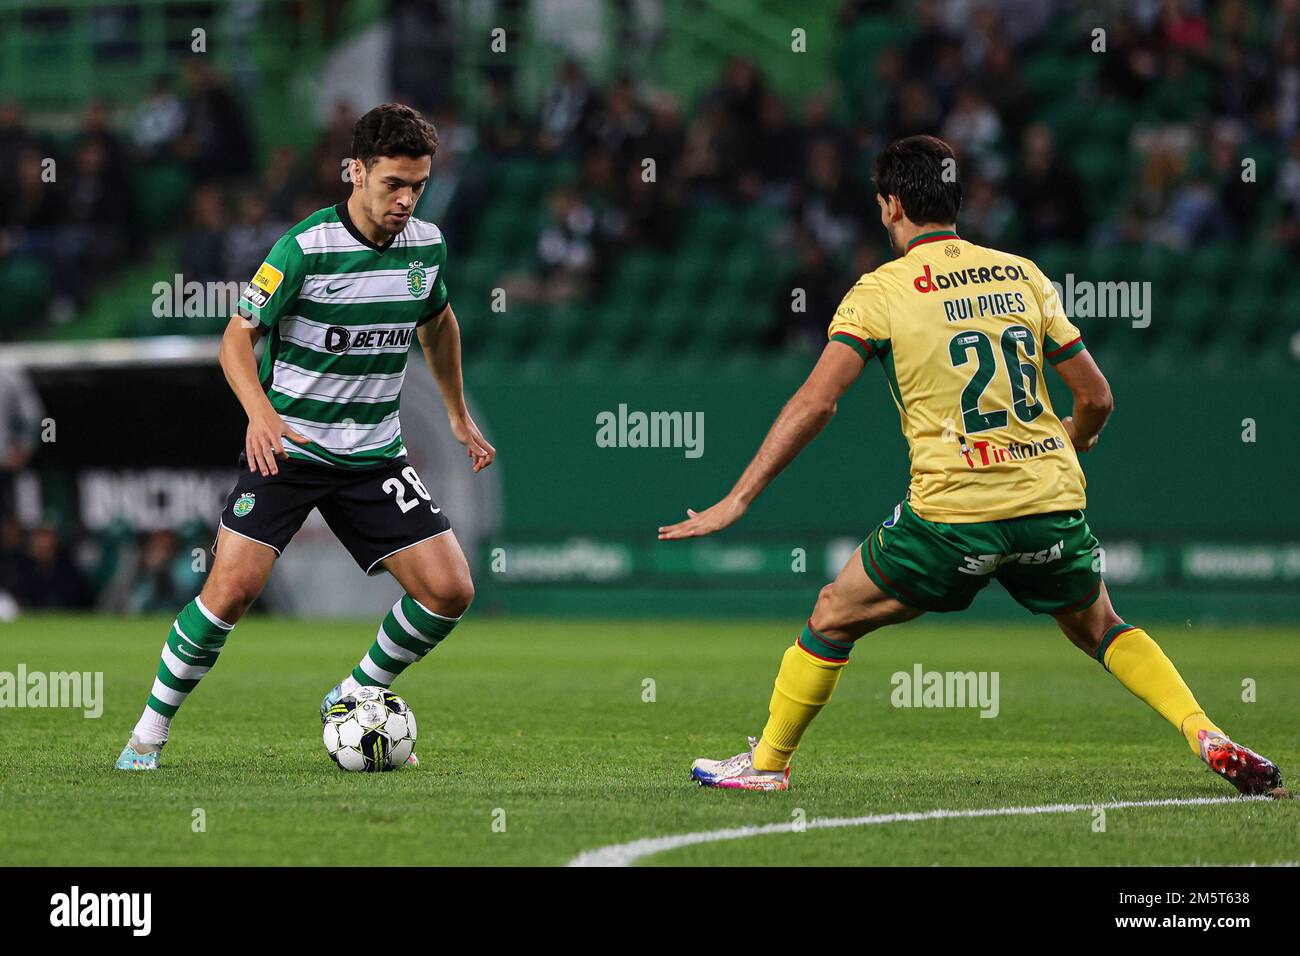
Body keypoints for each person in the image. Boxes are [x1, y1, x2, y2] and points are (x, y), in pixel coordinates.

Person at [660, 135, 1284, 798]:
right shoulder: (1022, 274)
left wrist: (740, 498)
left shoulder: (881, 291)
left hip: (953, 517)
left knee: (831, 615)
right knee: (1102, 626)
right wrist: (1075, 437)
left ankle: (769, 763)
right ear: (956, 200)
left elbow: (818, 402)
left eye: (881, 204)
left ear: (893, 204)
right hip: (1048, 503)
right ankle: (1202, 730)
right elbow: (1097, 396)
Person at [115, 103, 495, 770]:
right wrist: (260, 413)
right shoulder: (305, 248)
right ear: (356, 172)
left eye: (418, 186)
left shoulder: (426, 248)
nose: (405, 200)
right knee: (230, 590)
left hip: (374, 456)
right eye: (392, 185)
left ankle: (355, 692)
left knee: (451, 589)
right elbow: (236, 339)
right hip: (288, 447)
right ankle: (148, 733)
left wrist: (456, 413)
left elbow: (439, 324)